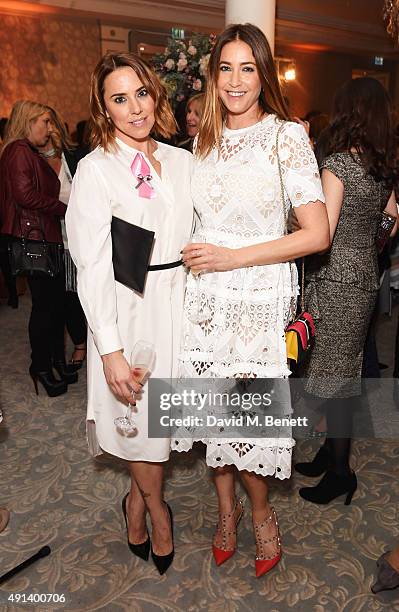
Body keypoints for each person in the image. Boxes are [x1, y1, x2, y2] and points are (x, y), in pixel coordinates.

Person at [173, 23, 329, 577]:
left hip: (257, 301)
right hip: (204, 301)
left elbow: (317, 234)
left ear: (264, 74)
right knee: (213, 416)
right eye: (225, 68)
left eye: (247, 68)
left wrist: (234, 258)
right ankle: (225, 514)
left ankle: (262, 515)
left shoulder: (287, 136)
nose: (235, 81)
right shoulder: (202, 141)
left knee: (250, 420)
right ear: (213, 76)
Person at [66, 52, 193, 575]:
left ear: (155, 93)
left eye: (141, 93)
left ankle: (135, 502)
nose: (135, 108)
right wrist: (110, 350)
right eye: (120, 99)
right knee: (138, 422)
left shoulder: (184, 160)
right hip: (129, 309)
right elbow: (91, 266)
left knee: (160, 420)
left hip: (179, 303)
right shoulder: (96, 170)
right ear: (104, 108)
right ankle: (157, 512)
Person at [295, 77, 398, 504]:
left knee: (334, 380)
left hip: (335, 278)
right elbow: (392, 217)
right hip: (363, 276)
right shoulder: (381, 166)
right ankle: (328, 454)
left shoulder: (338, 164)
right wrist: (371, 244)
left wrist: (290, 223)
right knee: (345, 371)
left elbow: (323, 232)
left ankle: (341, 473)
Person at [0, 100, 69, 397]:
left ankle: (53, 361)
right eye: (45, 122)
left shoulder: (29, 152)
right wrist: (64, 207)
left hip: (42, 237)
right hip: (34, 239)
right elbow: (25, 195)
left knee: (52, 306)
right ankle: (40, 366)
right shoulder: (18, 151)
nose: (49, 128)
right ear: (28, 121)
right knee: (44, 308)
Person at [39, 106, 87, 371]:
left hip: (84, 237)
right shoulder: (35, 161)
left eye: (51, 124)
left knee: (92, 292)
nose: (49, 130)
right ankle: (79, 344)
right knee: (68, 298)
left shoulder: (76, 156)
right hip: (56, 242)